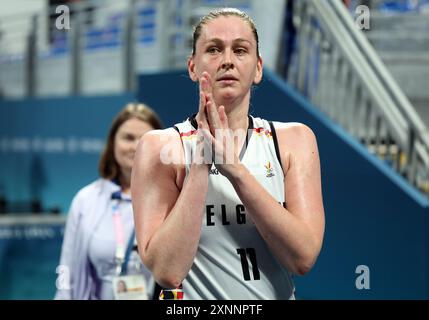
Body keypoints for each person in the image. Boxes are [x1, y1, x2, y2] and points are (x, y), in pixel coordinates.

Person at [131, 8, 325, 300]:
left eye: (240, 50)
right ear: (193, 67)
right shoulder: (159, 147)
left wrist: (235, 170)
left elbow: (303, 257)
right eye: (213, 49)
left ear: (258, 68)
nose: (227, 61)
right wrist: (200, 164)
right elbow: (168, 272)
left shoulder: (293, 141)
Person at [55, 103, 163, 300]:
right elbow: (67, 272)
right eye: (128, 138)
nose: (136, 145)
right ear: (113, 143)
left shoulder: (173, 198)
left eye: (145, 139)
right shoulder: (85, 200)